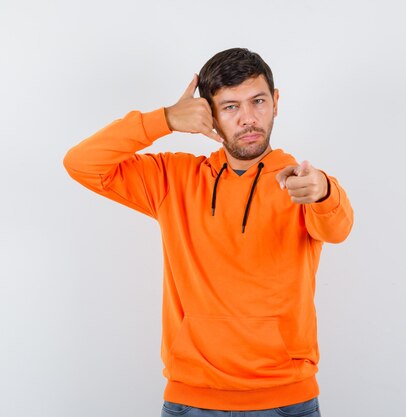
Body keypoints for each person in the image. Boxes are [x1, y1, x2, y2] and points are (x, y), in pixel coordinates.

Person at [63, 47, 353, 416]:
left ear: (276, 102)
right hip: (191, 400)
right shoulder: (174, 180)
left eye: (258, 101)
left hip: (285, 400)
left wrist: (324, 189)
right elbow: (82, 163)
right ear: (209, 115)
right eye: (231, 106)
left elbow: (339, 228)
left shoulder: (300, 182)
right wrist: (163, 119)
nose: (248, 119)